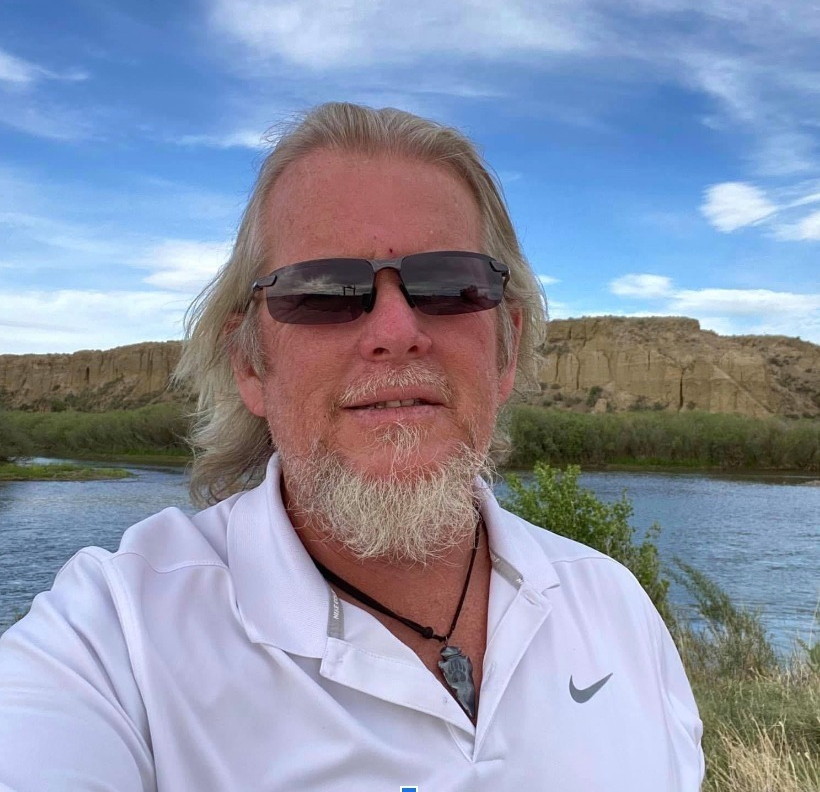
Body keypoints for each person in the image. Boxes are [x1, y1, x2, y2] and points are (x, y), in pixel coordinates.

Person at [0, 103, 704, 791]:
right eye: (325, 291)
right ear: (250, 363)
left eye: (449, 284)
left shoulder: (615, 607)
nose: (396, 330)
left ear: (507, 347)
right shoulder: (113, 641)